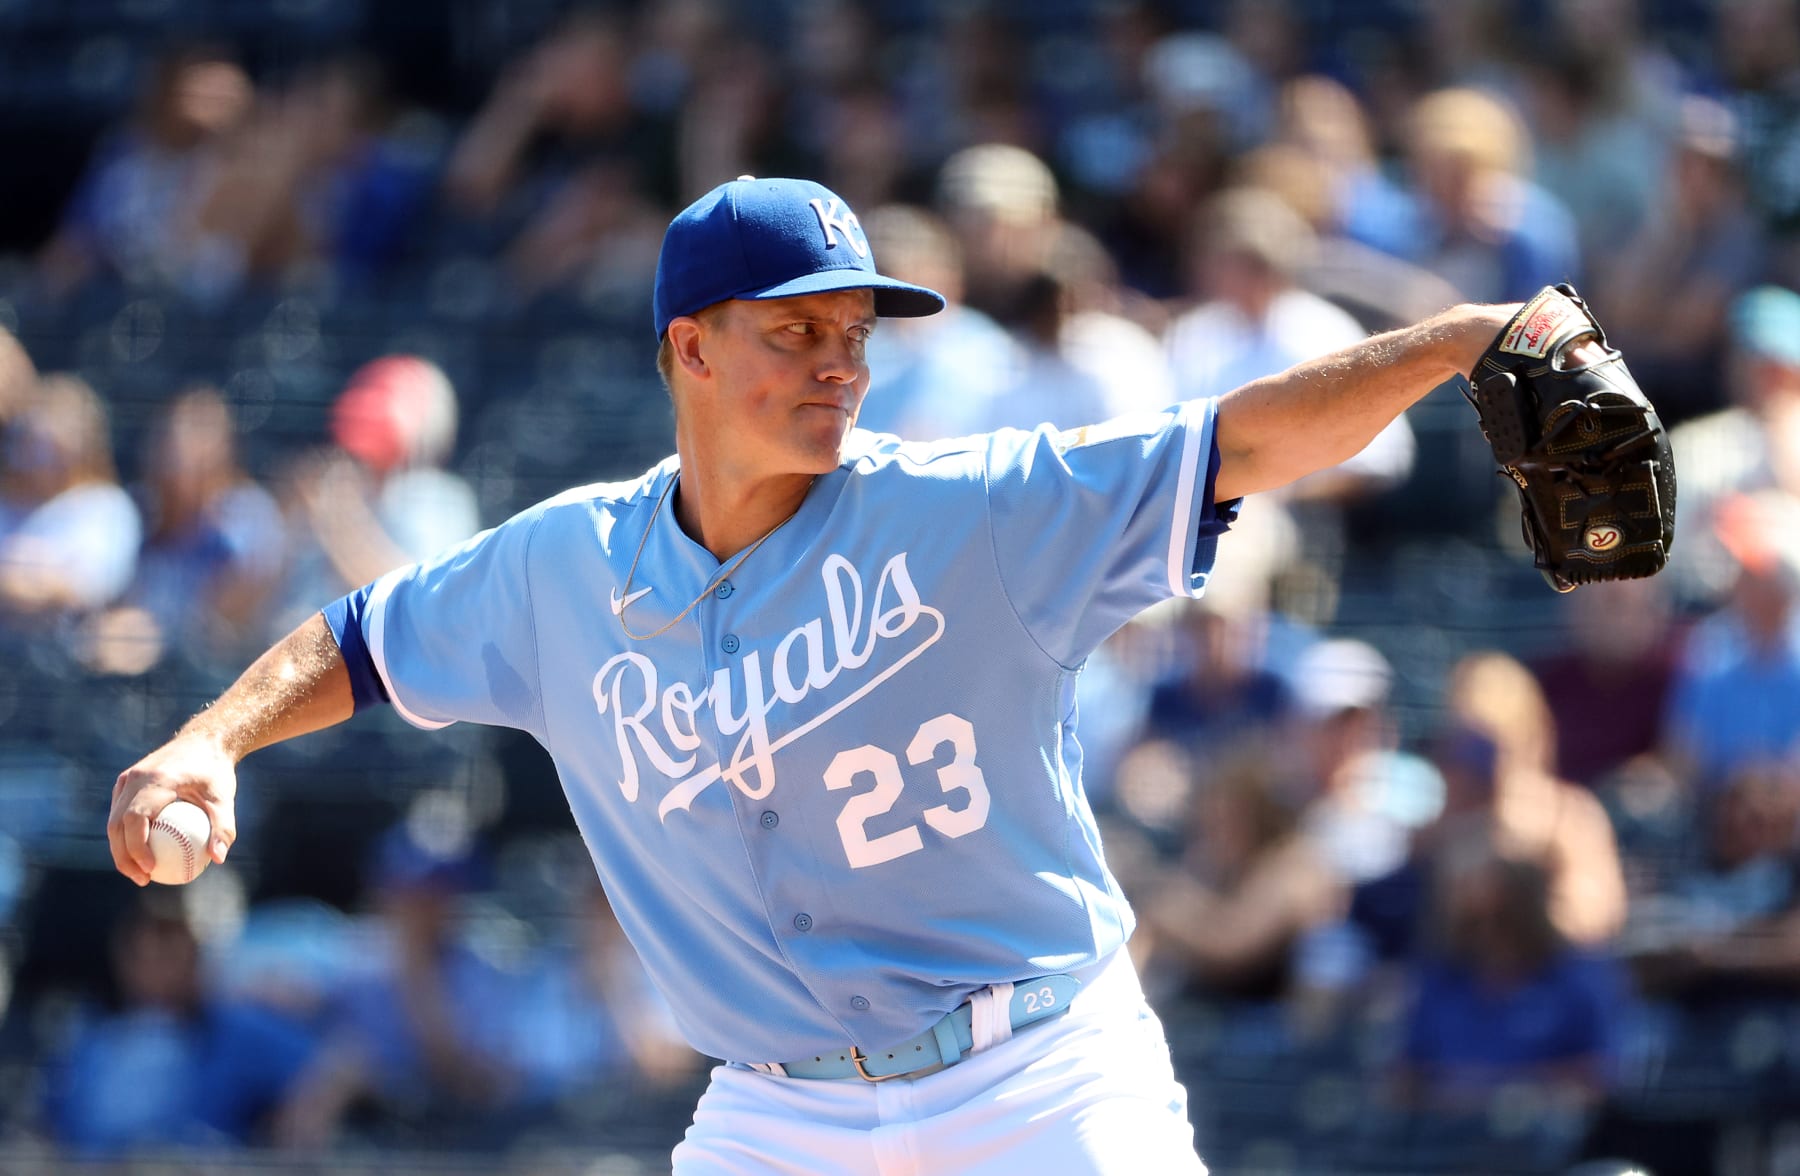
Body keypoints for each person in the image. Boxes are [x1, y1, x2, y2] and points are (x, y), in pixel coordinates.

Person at [108, 175, 1544, 1173]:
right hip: (777, 1117)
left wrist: (1474, 344)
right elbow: (354, 638)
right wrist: (207, 743)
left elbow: (1238, 440)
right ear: (689, 347)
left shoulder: (966, 511)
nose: (837, 364)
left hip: (1037, 1074)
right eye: (794, 330)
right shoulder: (561, 570)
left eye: (854, 334)